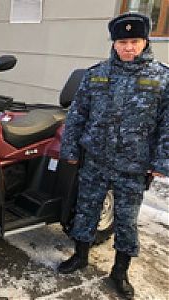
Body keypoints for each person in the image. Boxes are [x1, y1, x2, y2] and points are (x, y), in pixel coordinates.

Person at [58, 12, 168, 299]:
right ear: (114, 43)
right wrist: (70, 149)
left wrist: (161, 161)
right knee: (86, 210)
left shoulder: (161, 78)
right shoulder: (96, 74)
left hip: (134, 165)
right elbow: (77, 115)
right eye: (122, 41)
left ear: (145, 42)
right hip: (95, 158)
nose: (128, 47)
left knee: (125, 219)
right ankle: (80, 256)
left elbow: (168, 124)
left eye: (134, 41)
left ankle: (120, 272)